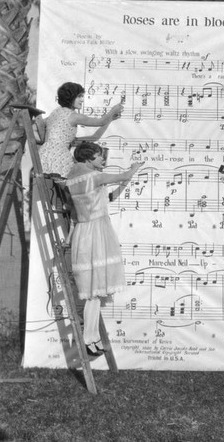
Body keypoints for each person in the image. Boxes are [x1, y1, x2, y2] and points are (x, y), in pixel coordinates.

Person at [66, 141, 143, 356]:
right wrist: (136, 166)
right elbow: (124, 176)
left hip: (83, 231)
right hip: (97, 232)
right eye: (99, 156)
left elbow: (83, 205)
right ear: (89, 158)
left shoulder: (72, 178)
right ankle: (88, 339)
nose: (103, 159)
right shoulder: (95, 176)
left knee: (94, 293)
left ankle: (92, 337)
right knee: (94, 292)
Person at [39, 82, 123, 179]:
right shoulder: (74, 116)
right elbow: (101, 122)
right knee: (82, 181)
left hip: (44, 155)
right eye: (79, 96)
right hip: (58, 157)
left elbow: (95, 137)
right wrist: (113, 110)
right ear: (70, 97)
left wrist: (110, 119)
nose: (82, 100)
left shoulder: (56, 113)